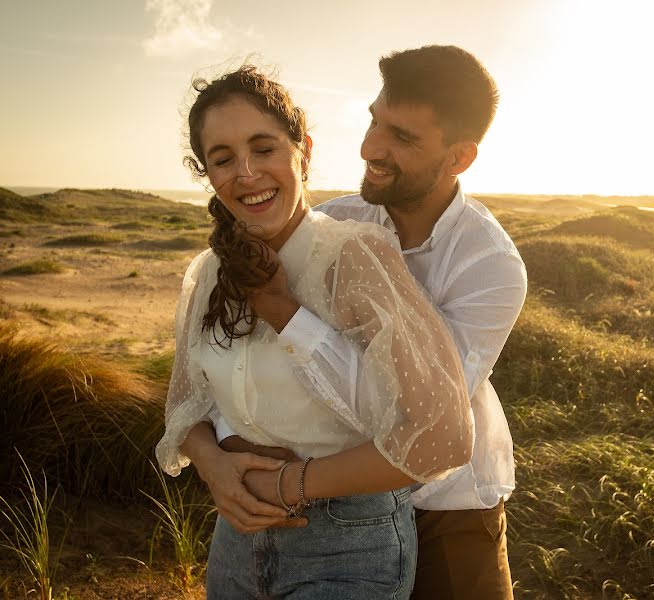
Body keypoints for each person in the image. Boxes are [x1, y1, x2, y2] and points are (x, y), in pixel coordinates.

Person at [211, 46, 528, 599]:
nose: (370, 148)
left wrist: (287, 314)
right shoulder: (337, 220)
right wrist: (218, 459)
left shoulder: (489, 266)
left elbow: (411, 412)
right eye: (374, 121)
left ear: (459, 158)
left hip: (445, 506)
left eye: (403, 138)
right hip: (336, 509)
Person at [155, 65, 474, 599]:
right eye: (224, 158)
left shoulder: (354, 256)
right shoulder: (208, 272)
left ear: (302, 148)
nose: (248, 173)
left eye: (264, 148)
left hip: (348, 543)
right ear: (206, 172)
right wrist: (215, 469)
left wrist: (285, 313)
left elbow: (442, 435)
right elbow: (186, 405)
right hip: (235, 537)